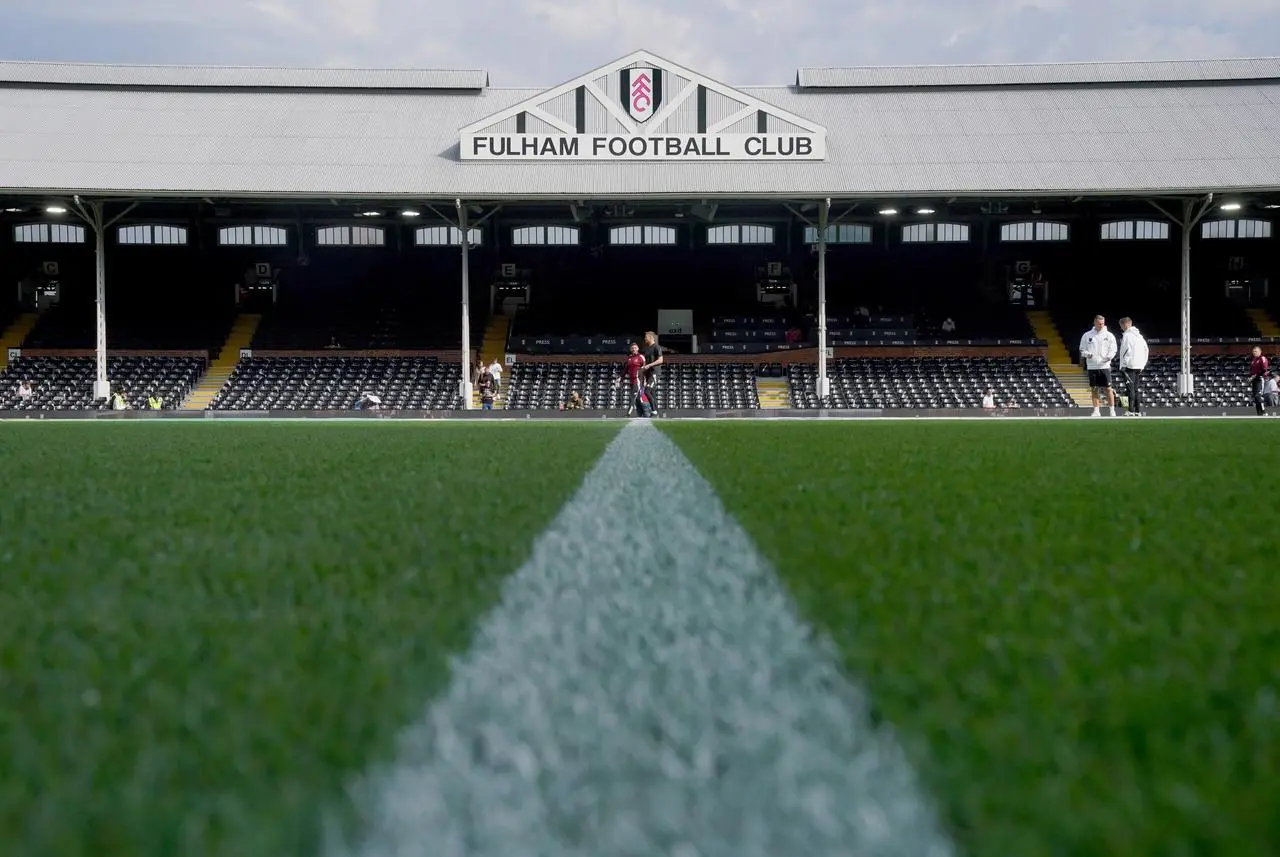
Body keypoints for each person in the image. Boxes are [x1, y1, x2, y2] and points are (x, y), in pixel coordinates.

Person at [1079, 314, 1119, 417]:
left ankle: (1112, 411)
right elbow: (1082, 350)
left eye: (1102, 323)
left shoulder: (1109, 335)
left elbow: (1114, 349)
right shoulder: (1087, 335)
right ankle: (1096, 411)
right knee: (1094, 389)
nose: (1101, 325)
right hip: (1092, 366)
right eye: (1099, 323)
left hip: (1104, 366)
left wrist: (1109, 357)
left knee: (1108, 389)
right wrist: (1088, 354)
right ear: (1094, 323)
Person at [1116, 317, 1149, 416]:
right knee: (1135, 389)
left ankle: (1130, 411)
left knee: (1130, 389)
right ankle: (1137, 411)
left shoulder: (1127, 335)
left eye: (1121, 326)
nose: (1121, 328)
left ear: (1125, 324)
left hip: (1129, 366)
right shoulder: (1140, 336)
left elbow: (1126, 351)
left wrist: (1123, 365)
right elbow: (1146, 350)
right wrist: (1142, 364)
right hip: (1138, 365)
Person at [617, 342, 651, 416]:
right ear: (630, 349)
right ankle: (645, 413)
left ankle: (628, 413)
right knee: (638, 398)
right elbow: (626, 369)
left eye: (635, 348)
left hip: (638, 380)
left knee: (632, 396)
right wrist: (620, 377)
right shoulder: (629, 358)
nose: (633, 349)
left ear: (638, 349)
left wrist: (645, 379)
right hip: (632, 381)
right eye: (632, 348)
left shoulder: (641, 357)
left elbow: (645, 368)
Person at [1249, 345, 1270, 416]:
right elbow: (1252, 371)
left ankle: (1263, 411)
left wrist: (1256, 375)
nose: (1254, 352)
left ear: (1260, 351)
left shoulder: (1262, 358)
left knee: (1258, 395)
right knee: (1255, 396)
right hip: (1254, 380)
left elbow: (1265, 370)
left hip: (1260, 379)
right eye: (1253, 351)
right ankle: (1259, 413)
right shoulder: (1253, 360)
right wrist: (1251, 377)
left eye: (1256, 351)